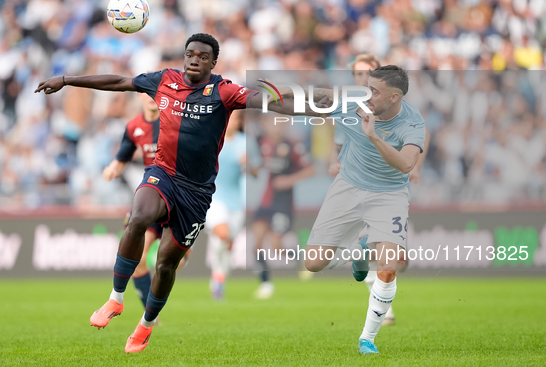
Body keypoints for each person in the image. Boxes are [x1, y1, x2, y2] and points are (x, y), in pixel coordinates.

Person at [35, 33, 303, 353]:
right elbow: (119, 81)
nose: (195, 59)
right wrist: (66, 80)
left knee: (165, 264)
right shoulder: (164, 80)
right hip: (162, 173)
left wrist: (316, 104)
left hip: (197, 193)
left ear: (213, 63)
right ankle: (115, 299)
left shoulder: (224, 90)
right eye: (190, 54)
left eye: (203, 56)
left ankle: (145, 325)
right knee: (138, 218)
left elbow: (268, 100)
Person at [303, 66, 426, 355]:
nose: (367, 94)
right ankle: (358, 253)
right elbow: (312, 102)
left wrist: (373, 135)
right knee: (313, 264)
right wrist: (273, 96)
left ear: (395, 96)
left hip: (389, 195)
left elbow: (407, 164)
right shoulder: (352, 101)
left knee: (387, 268)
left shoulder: (413, 122)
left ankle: (367, 339)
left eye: (375, 90)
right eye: (367, 87)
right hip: (348, 186)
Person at [102, 93, 188, 311]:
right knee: (138, 262)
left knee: (171, 263)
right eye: (148, 93)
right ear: (140, 95)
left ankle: (184, 253)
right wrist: (113, 168)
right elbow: (122, 158)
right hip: (153, 194)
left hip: (178, 196)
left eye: (157, 93)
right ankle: (150, 313)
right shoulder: (133, 127)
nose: (152, 97)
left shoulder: (176, 121)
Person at [251, 113, 315, 299]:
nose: (277, 126)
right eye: (273, 122)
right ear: (265, 123)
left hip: (282, 203)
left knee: (276, 246)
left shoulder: (292, 145)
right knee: (256, 243)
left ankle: (301, 257)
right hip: (263, 202)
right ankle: (265, 284)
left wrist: (289, 180)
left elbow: (310, 169)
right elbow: (254, 169)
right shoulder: (257, 142)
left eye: (281, 123)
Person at [205, 110, 250, 300]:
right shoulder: (212, 137)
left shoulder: (245, 143)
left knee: (226, 243)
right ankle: (218, 277)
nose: (232, 121)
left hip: (237, 202)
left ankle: (218, 278)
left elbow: (256, 172)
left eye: (236, 118)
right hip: (214, 198)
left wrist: (248, 165)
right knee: (222, 233)